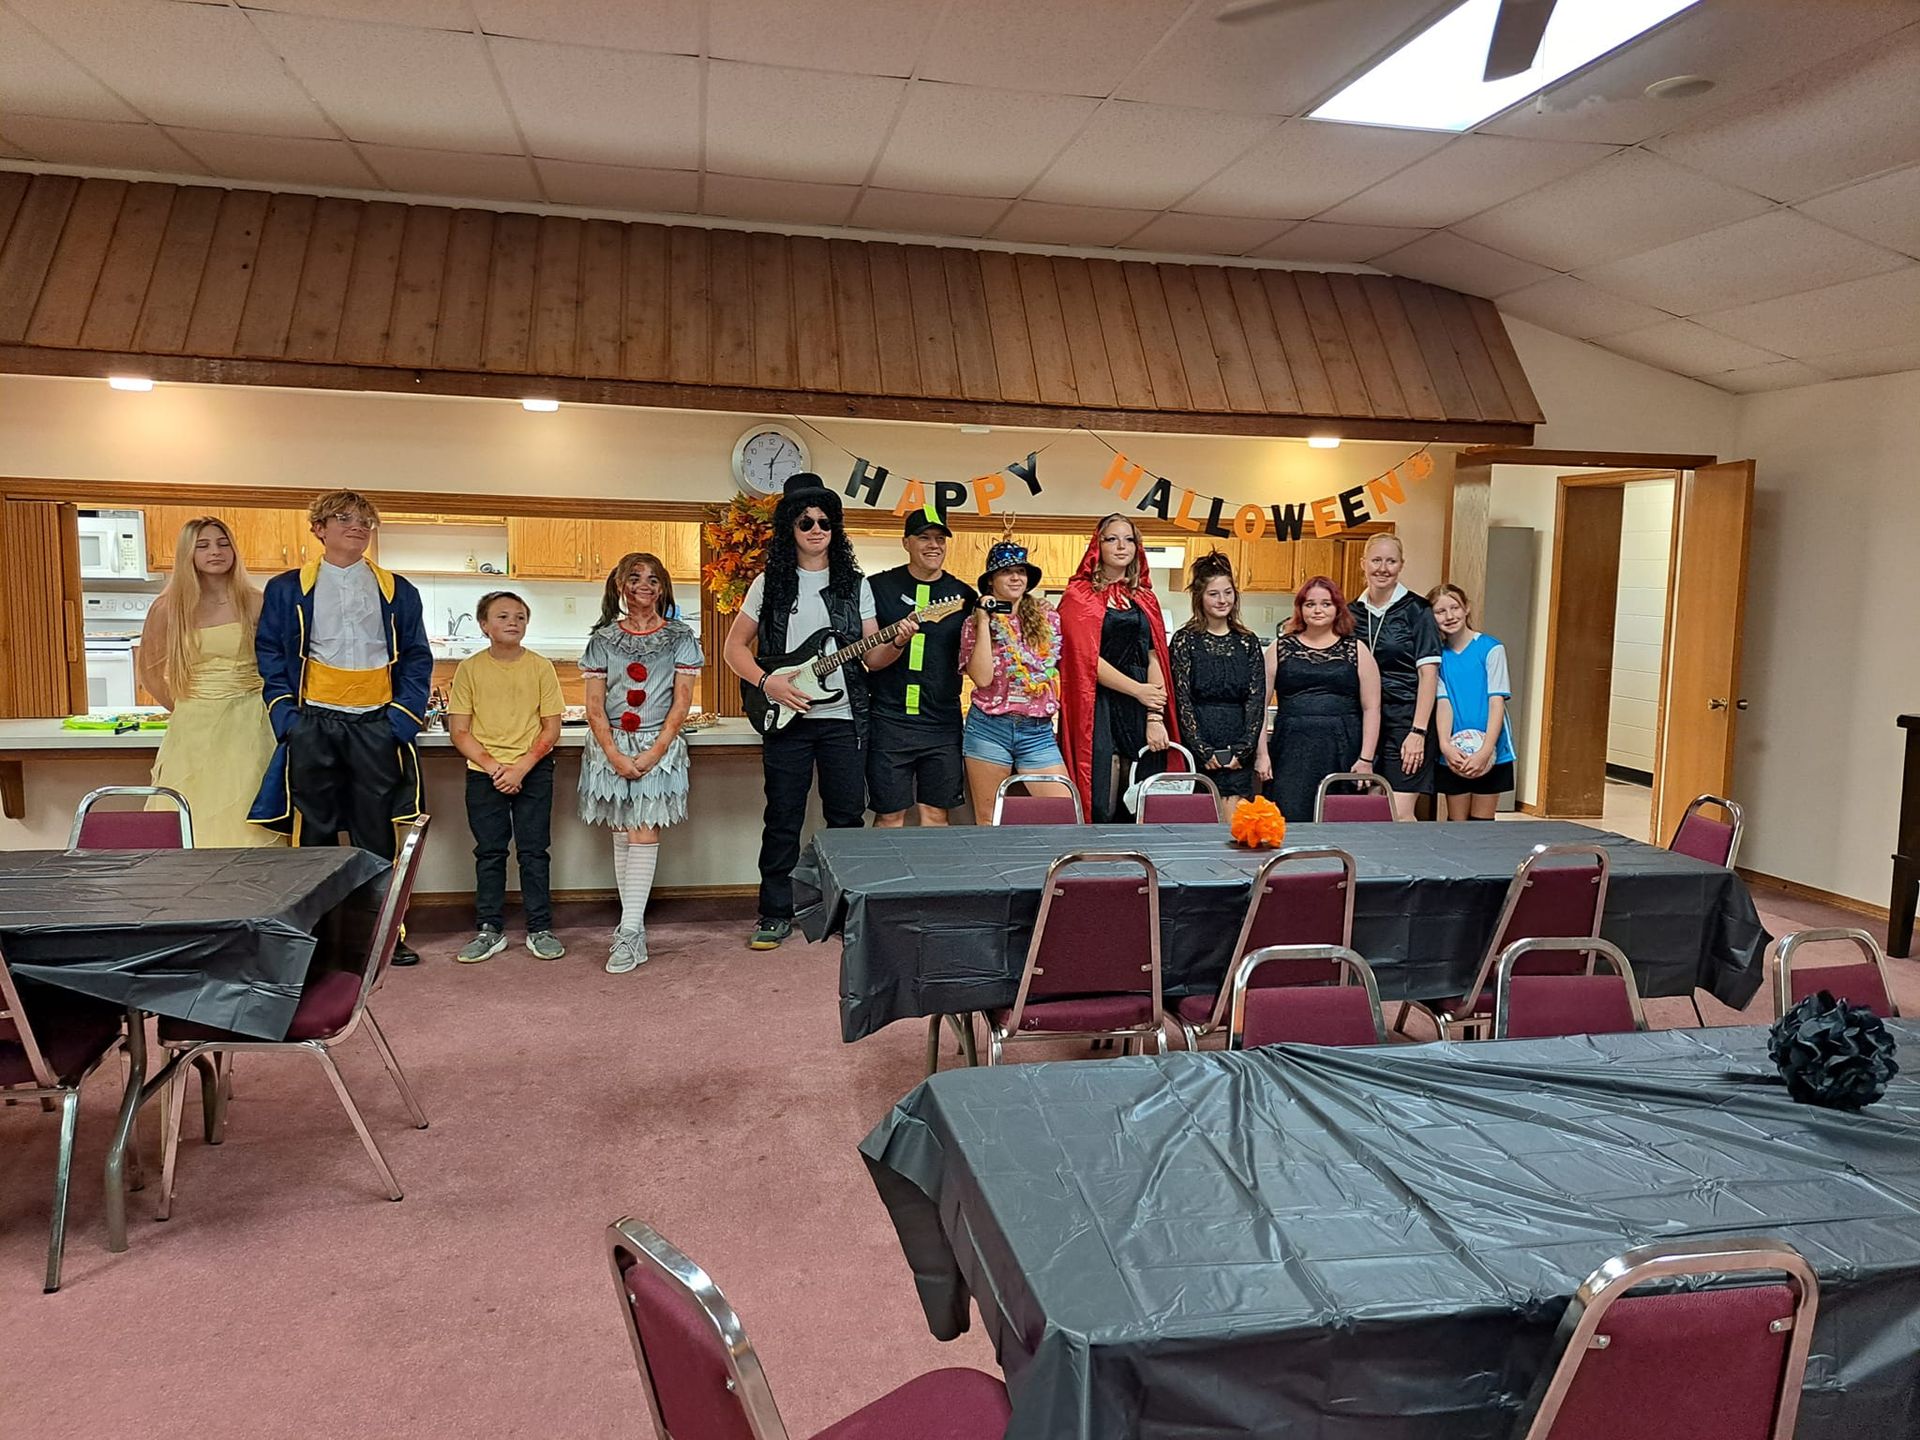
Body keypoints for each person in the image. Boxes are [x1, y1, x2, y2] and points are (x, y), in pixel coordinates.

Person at [723, 473, 909, 951]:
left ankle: (841, 910)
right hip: (787, 719)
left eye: (825, 520)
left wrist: (897, 640)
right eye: (805, 520)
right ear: (790, 527)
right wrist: (770, 682)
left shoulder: (855, 586)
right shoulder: (769, 584)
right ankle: (774, 913)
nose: (815, 528)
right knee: (782, 817)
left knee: (845, 819)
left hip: (843, 719)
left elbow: (871, 658)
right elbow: (733, 648)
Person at [249, 490, 432, 963]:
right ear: (319, 529)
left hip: (376, 724)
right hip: (313, 721)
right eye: (344, 518)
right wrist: (288, 717)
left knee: (376, 834)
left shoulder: (399, 590)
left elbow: (416, 657)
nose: (357, 526)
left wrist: (399, 721)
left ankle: (382, 935)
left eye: (365, 520)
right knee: (314, 835)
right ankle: (317, 937)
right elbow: (269, 653)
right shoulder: (287, 588)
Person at [579, 553, 703, 974]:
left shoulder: (681, 637)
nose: (644, 585)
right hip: (610, 746)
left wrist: (654, 752)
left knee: (642, 830)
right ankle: (632, 930)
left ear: (663, 587)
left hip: (658, 746)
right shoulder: (601, 640)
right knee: (621, 830)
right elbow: (594, 707)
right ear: (620, 586)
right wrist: (614, 753)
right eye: (635, 578)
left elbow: (681, 702)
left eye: (653, 578)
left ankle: (629, 932)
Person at [136, 517, 281, 848]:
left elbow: (279, 665)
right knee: (192, 815)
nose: (215, 551)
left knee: (248, 810)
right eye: (203, 545)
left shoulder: (256, 601)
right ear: (188, 553)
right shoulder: (168, 608)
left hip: (251, 724)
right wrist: (187, 705)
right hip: (192, 728)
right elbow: (149, 672)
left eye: (222, 543)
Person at [446, 591, 566, 964]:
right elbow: (460, 731)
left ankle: (540, 928)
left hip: (533, 771)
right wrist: (495, 767)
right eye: (502, 616)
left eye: (519, 616)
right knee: (490, 852)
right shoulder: (469, 669)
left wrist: (521, 767)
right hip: (484, 775)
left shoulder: (541, 667)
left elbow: (551, 728)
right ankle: (489, 929)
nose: (512, 622)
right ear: (484, 625)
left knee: (534, 852)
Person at [1058, 513, 1180, 823]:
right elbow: (1084, 659)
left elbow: (1155, 656)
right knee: (1102, 792)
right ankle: (1096, 863)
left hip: (1141, 701)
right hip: (1096, 699)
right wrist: (1138, 690)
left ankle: (1138, 862)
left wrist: (1155, 714)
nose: (1121, 546)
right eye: (1112, 538)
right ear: (1097, 546)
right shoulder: (1078, 596)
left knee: (1139, 791)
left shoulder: (1145, 598)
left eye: (1129, 539)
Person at [863, 504, 976, 828]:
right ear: (906, 542)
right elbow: (870, 658)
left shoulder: (963, 595)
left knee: (935, 815)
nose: (933, 545)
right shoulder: (878, 587)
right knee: (889, 815)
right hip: (889, 720)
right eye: (924, 537)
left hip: (941, 722)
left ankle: (934, 880)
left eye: (940, 538)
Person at [960, 539, 1070, 824]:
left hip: (1037, 732)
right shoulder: (974, 624)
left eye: (1020, 571)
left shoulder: (1048, 618)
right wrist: (984, 621)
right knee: (989, 819)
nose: (1015, 577)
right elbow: (982, 678)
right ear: (991, 581)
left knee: (1064, 813)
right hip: (989, 728)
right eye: (1006, 571)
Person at [1265, 575, 1382, 823]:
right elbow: (1258, 707)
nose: (1318, 610)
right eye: (1310, 604)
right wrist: (1261, 754)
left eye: (1326, 604)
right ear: (1300, 608)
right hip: (1290, 751)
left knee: (1340, 822)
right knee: (1288, 818)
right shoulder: (1279, 647)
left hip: (1343, 749)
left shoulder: (1357, 648)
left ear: (1338, 608)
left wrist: (1365, 759)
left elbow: (1372, 708)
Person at [1350, 534, 1440, 821]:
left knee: (1398, 814)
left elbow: (1429, 675)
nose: (1383, 568)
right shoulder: (1350, 614)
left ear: (1401, 565)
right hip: (1361, 723)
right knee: (1366, 812)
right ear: (1363, 564)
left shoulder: (1418, 610)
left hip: (1405, 722)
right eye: (1376, 560)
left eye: (1391, 561)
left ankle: (1409, 867)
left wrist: (1418, 732)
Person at [1169, 550, 1269, 801]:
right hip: (1198, 744)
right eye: (1213, 594)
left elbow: (1256, 701)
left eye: (1228, 592)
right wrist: (1202, 750)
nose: (1222, 600)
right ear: (1199, 597)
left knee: (1238, 823)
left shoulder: (1248, 641)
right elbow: (1181, 700)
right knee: (1199, 819)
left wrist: (1243, 751)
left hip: (1239, 743)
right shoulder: (1185, 640)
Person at [1429, 583, 1517, 822]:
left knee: (1482, 823)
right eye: (1440, 611)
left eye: (1454, 607)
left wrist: (1486, 750)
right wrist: (1446, 746)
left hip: (1490, 746)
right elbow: (1443, 703)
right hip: (1455, 748)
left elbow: (1496, 701)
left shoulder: (1491, 648)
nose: (1449, 616)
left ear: (1466, 608)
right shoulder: (1437, 657)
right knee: (1458, 822)